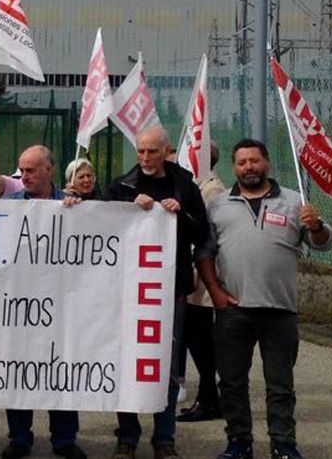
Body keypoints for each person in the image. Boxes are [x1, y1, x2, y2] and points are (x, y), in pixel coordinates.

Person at [197, 139, 332, 459]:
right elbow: (204, 253)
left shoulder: (293, 200)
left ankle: (283, 444)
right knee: (231, 383)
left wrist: (316, 227)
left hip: (280, 309)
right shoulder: (218, 205)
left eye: (254, 161)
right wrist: (215, 292)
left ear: (267, 163)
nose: (249, 167)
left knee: (280, 385)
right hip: (234, 309)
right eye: (242, 162)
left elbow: (322, 243)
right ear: (234, 167)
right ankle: (238, 442)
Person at [0, 128, 87, 459]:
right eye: (21, 170)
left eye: (30, 170)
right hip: (18, 308)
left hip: (60, 307)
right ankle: (19, 438)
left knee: (60, 371)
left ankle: (64, 439)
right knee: (19, 372)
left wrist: (79, 211)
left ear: (49, 170)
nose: (23, 176)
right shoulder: (10, 205)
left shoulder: (71, 205)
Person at [104, 126, 208, 459]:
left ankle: (165, 439)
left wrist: (180, 213)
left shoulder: (185, 186)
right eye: (140, 152)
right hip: (127, 289)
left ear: (165, 151)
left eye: (152, 151)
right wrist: (127, 206)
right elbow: (97, 222)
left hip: (170, 289)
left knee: (165, 364)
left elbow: (201, 229)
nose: (146, 158)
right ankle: (127, 437)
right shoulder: (122, 186)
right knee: (128, 361)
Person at [178, 142, 226, 424]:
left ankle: (210, 397)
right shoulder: (199, 184)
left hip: (203, 275)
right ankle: (208, 395)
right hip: (196, 273)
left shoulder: (211, 189)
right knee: (197, 338)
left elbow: (206, 230)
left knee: (201, 338)